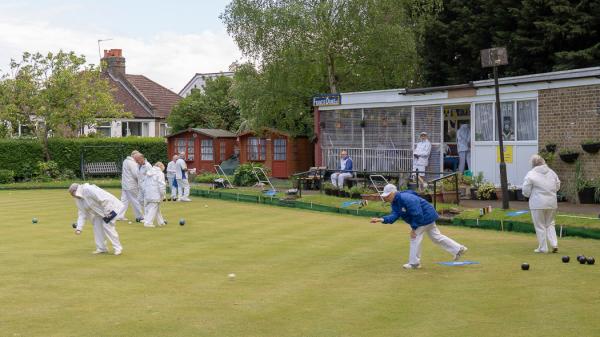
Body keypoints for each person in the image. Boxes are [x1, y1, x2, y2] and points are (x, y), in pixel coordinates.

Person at [370, 184, 467, 269]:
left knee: (415, 237)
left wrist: (413, 228)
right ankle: (458, 249)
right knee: (436, 237)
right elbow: (395, 215)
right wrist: (381, 219)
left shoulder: (407, 198)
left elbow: (417, 214)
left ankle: (414, 263)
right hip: (427, 217)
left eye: (387, 196)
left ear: (393, 193)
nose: (385, 198)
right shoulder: (395, 203)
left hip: (425, 217)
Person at [69, 183, 124, 255]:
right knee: (97, 226)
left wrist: (107, 215)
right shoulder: (78, 199)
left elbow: (105, 200)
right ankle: (101, 248)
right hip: (99, 212)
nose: (73, 196)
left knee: (107, 226)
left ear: (76, 191)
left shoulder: (89, 189)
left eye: (73, 194)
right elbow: (82, 213)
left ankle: (118, 248)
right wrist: (79, 228)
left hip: (110, 207)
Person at [522, 154, 561, 253]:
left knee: (540, 225)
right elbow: (557, 185)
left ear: (533, 163)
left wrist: (530, 195)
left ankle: (543, 248)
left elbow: (525, 190)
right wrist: (551, 192)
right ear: (543, 161)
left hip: (537, 203)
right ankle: (554, 244)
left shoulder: (531, 174)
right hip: (552, 202)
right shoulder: (552, 172)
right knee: (550, 224)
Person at [117, 150, 143, 221]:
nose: (139, 159)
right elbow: (135, 174)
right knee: (135, 200)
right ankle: (139, 216)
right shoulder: (132, 163)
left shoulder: (125, 161)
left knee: (124, 201)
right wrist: (141, 180)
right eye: (138, 157)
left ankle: (119, 215)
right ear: (135, 156)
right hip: (131, 185)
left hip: (125, 184)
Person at [142, 162, 167, 228]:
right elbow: (161, 185)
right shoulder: (160, 173)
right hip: (155, 194)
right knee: (153, 207)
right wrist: (163, 194)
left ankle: (161, 222)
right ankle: (148, 222)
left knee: (157, 208)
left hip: (148, 193)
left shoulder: (149, 172)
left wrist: (145, 192)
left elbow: (144, 184)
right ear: (161, 167)